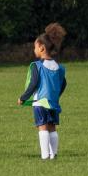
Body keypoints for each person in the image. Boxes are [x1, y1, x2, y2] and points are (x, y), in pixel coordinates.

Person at [17, 23, 67, 160]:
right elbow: (63, 84)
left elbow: (33, 84)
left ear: (42, 47)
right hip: (53, 103)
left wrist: (23, 97)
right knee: (52, 128)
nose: (34, 50)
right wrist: (57, 95)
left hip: (40, 103)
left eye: (35, 47)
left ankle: (45, 156)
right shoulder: (59, 67)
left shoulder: (37, 66)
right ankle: (53, 154)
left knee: (42, 128)